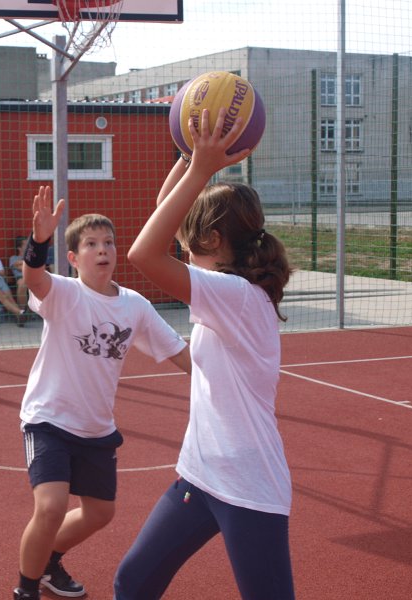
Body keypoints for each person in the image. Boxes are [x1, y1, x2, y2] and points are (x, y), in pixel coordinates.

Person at [114, 108, 295, 599]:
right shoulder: (228, 283)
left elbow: (143, 254)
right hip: (201, 474)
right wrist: (191, 157)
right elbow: (165, 211)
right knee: (133, 582)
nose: (182, 249)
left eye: (190, 243)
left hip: (249, 486)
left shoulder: (235, 295)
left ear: (212, 240)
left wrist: (199, 170)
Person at [13, 187, 192, 600]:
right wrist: (39, 242)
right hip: (49, 419)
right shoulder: (65, 294)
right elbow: (34, 279)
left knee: (100, 513)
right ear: (74, 259)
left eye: (108, 242)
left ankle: (49, 562)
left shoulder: (134, 305)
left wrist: (220, 377)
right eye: (91, 244)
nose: (102, 249)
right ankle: (25, 589)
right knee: (52, 505)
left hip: (96, 428)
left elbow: (179, 352)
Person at [8, 236, 29, 309]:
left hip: (33, 277)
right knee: (22, 284)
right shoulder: (13, 258)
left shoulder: (32, 257)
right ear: (19, 248)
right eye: (25, 245)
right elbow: (22, 268)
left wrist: (22, 264)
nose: (28, 246)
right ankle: (23, 311)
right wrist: (28, 264)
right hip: (21, 278)